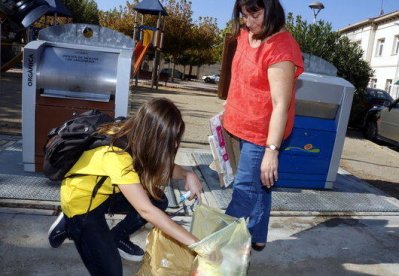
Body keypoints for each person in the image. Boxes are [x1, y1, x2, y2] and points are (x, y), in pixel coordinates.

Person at [47, 98, 203, 276]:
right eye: (171, 140)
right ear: (155, 136)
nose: (174, 145)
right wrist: (198, 244)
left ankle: (116, 236)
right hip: (82, 206)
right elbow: (146, 211)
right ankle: (70, 222)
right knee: (111, 272)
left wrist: (187, 174)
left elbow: (160, 166)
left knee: (158, 199)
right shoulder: (117, 155)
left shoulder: (134, 131)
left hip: (104, 192)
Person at [223, 0, 304, 251]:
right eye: (244, 15)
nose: (248, 21)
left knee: (245, 189)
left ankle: (218, 244)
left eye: (254, 13)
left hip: (263, 132)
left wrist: (271, 150)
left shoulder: (282, 48)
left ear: (271, 8)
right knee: (261, 183)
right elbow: (240, 79)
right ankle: (258, 235)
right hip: (238, 123)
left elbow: (281, 105)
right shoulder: (245, 33)